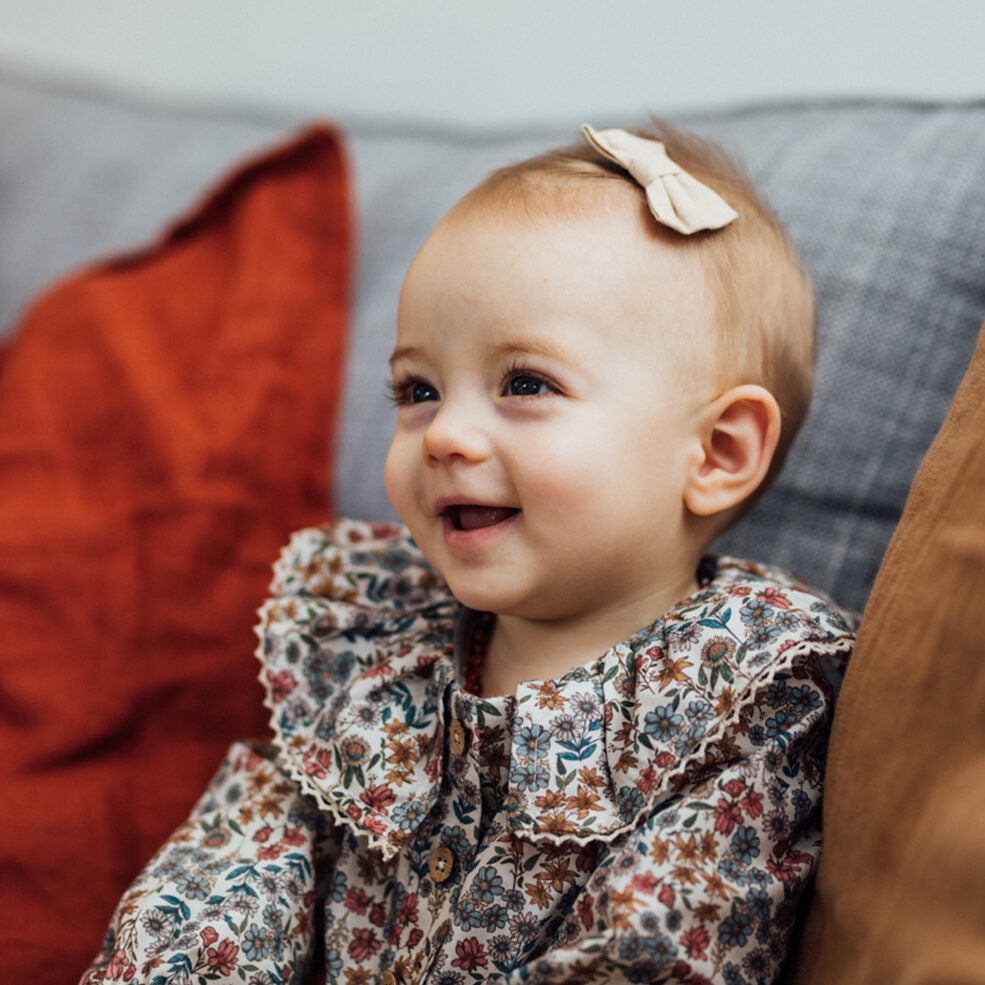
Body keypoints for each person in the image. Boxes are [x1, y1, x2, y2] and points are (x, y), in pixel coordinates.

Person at [79, 124, 855, 985]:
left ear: (715, 453)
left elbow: (655, 949)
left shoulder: (746, 689)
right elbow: (238, 863)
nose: (444, 433)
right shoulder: (381, 649)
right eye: (418, 389)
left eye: (525, 383)